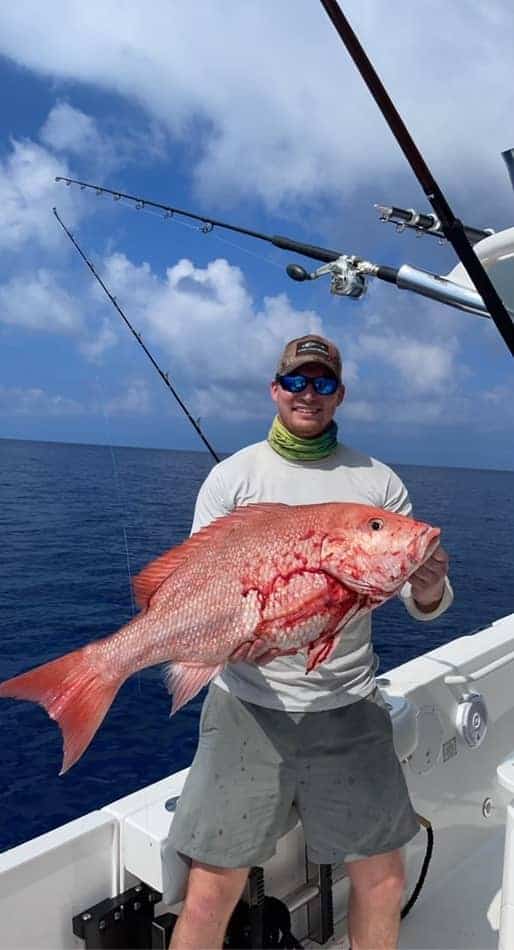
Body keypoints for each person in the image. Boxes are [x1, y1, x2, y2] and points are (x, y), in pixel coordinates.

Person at [168, 333, 452, 950]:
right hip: (246, 707)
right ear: (276, 389)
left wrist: (429, 583)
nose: (308, 394)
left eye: (323, 383)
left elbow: (423, 606)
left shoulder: (377, 481)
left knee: (382, 879)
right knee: (210, 890)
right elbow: (196, 585)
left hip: (348, 706)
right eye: (296, 381)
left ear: (339, 394)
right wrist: (226, 639)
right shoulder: (232, 478)